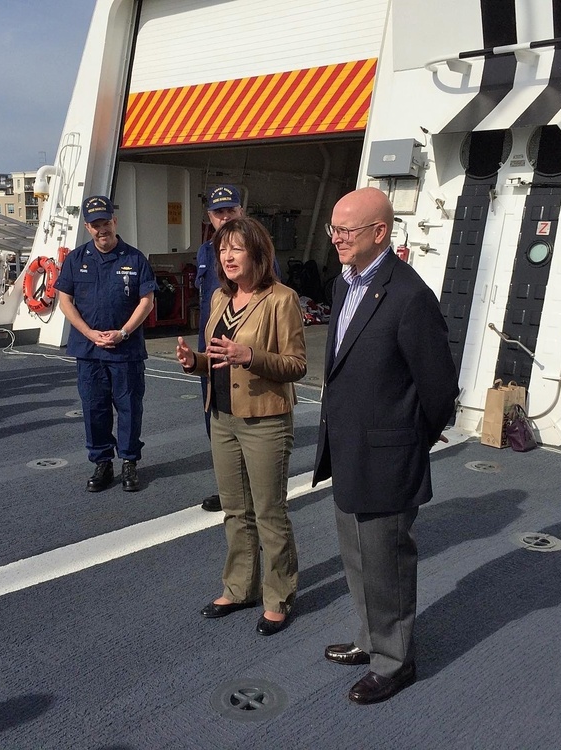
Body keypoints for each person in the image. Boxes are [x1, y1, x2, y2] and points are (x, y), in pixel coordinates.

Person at [312, 187, 458, 704]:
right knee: (357, 558)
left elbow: (439, 389)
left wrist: (410, 439)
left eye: (346, 230)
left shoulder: (410, 296)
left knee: (388, 564)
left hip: (388, 456)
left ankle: (396, 662)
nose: (336, 238)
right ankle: (370, 639)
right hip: (348, 448)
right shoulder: (343, 285)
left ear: (380, 233)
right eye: (334, 229)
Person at [176, 216, 306, 636]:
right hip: (222, 417)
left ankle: (278, 596)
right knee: (236, 510)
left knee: (270, 512)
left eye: (236, 248)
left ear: (257, 253)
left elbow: (296, 365)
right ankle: (238, 588)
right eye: (222, 249)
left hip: (265, 421)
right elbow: (216, 357)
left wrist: (250, 355)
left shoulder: (281, 299)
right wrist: (194, 362)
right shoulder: (218, 298)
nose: (228, 257)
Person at [54, 195, 157, 493]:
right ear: (87, 226)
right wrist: (88, 333)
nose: (103, 229)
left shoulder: (135, 259)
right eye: (96, 224)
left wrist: (123, 332)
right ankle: (102, 463)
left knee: (128, 407)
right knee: (94, 408)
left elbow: (146, 301)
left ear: (115, 221)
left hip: (126, 349)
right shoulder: (76, 260)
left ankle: (129, 463)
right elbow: (65, 301)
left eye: (106, 222)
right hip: (89, 351)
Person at [194, 185, 245, 512]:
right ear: (210, 216)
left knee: (246, 423)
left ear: (241, 210)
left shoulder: (258, 249)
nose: (224, 217)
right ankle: (230, 488)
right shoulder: (204, 252)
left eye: (229, 210)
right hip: (210, 354)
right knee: (216, 421)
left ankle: (253, 489)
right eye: (218, 212)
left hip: (242, 353)